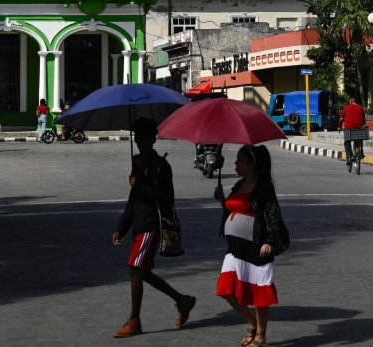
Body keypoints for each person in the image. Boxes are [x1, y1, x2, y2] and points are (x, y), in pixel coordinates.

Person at [110, 117, 196, 338]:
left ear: (153, 139)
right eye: (137, 137)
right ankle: (182, 300)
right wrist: (122, 227)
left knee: (135, 268)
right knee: (142, 271)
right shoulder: (137, 162)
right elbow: (133, 199)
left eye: (145, 137)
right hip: (138, 223)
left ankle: (134, 320)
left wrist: (141, 184)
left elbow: (166, 199)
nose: (140, 141)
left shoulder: (161, 167)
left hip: (152, 224)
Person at [214, 145, 286, 347]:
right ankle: (251, 322)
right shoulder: (239, 185)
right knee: (225, 289)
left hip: (256, 247)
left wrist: (270, 241)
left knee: (260, 293)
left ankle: (261, 336)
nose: (235, 164)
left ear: (251, 164)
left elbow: (273, 216)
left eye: (239, 160)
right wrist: (222, 200)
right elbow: (232, 209)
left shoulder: (263, 187)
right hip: (235, 249)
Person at [340, 97, 366, 168]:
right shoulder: (360, 107)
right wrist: (360, 125)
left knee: (347, 142)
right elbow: (364, 120)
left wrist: (339, 127)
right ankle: (360, 152)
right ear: (355, 102)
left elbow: (341, 119)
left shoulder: (346, 107)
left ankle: (350, 156)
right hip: (358, 129)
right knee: (359, 139)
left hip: (348, 129)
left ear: (350, 102)